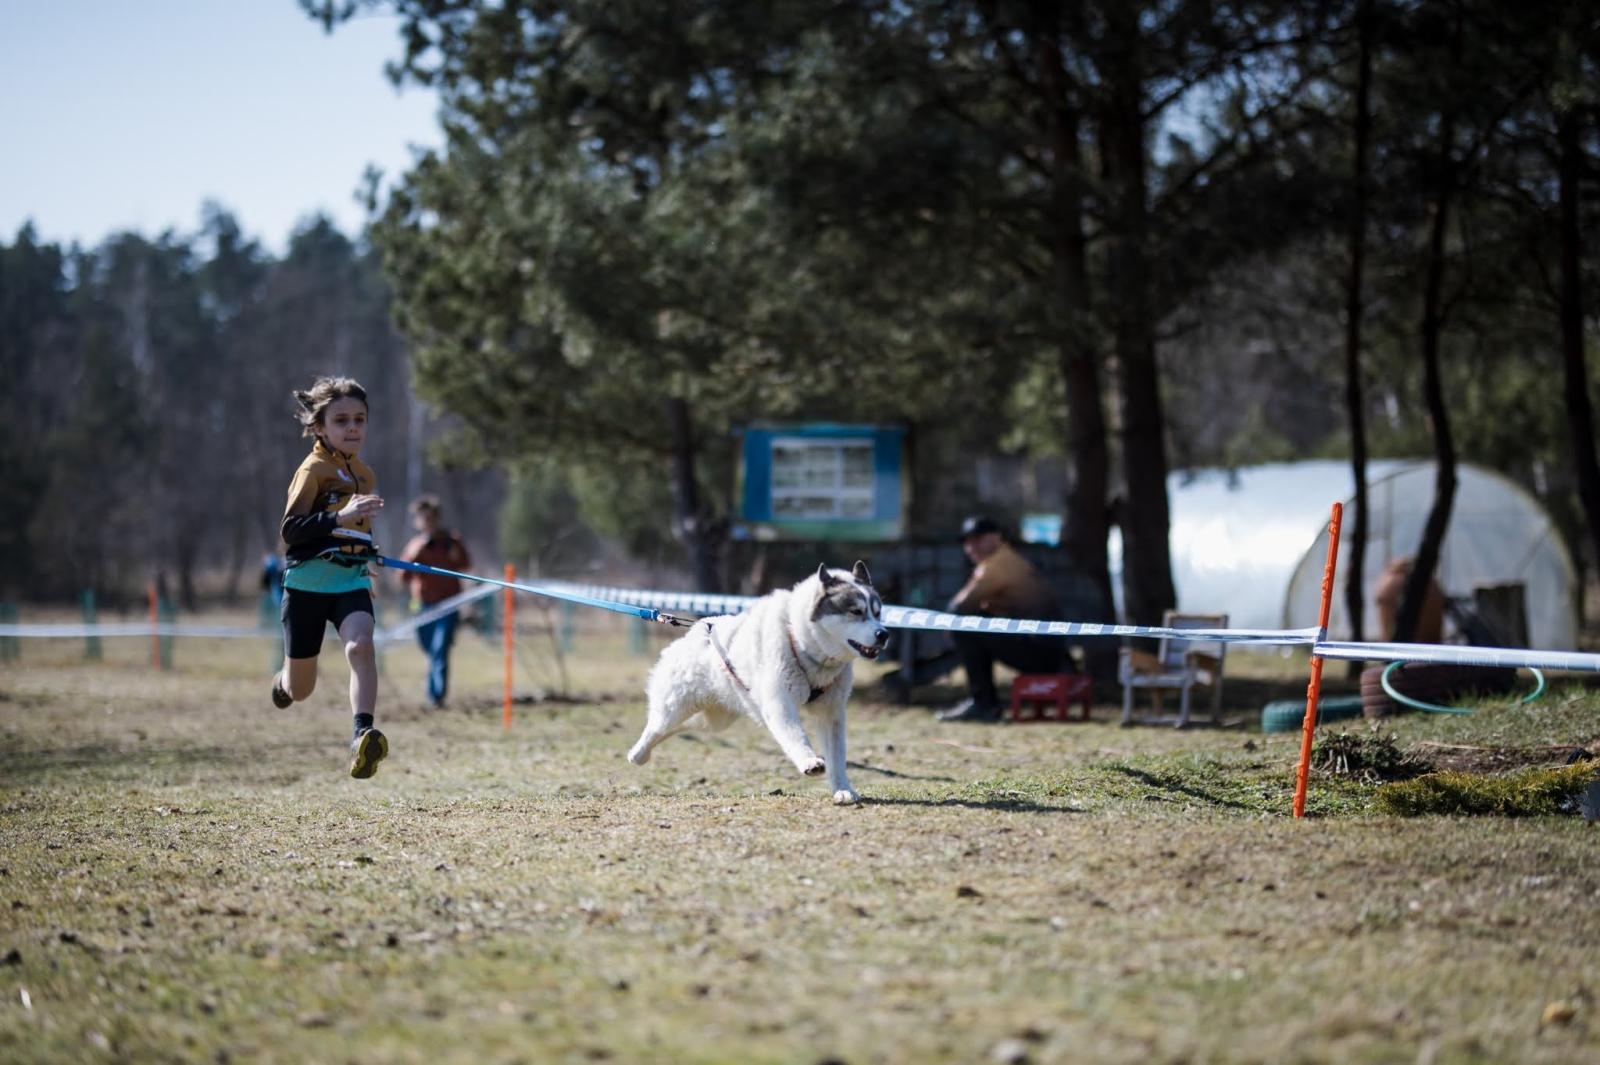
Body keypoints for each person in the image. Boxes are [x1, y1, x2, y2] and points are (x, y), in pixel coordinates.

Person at [268, 375, 389, 779]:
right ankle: (284, 682)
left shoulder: (366, 475)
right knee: (301, 690)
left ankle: (362, 735)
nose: (353, 428)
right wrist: (339, 517)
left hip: (350, 581)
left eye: (359, 419)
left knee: (362, 647)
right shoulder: (313, 470)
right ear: (320, 427)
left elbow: (357, 529)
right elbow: (291, 531)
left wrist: (366, 553)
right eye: (341, 421)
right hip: (307, 585)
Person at [935, 515, 1075, 723]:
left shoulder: (999, 564)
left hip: (1041, 653)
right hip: (1049, 651)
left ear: (996, 537)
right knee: (972, 624)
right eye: (967, 542)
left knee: (965, 628)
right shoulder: (1001, 560)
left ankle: (984, 704)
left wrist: (950, 624)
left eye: (978, 539)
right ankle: (983, 702)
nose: (971, 547)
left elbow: (960, 607)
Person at [396, 494, 473, 708]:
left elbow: (466, 565)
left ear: (437, 518)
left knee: (440, 648)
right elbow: (401, 578)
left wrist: (455, 552)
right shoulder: (415, 545)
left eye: (430, 518)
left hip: (448, 606)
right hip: (422, 606)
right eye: (422, 518)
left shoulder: (451, 541)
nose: (426, 522)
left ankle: (436, 696)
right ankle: (433, 691)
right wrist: (414, 557)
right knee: (429, 648)